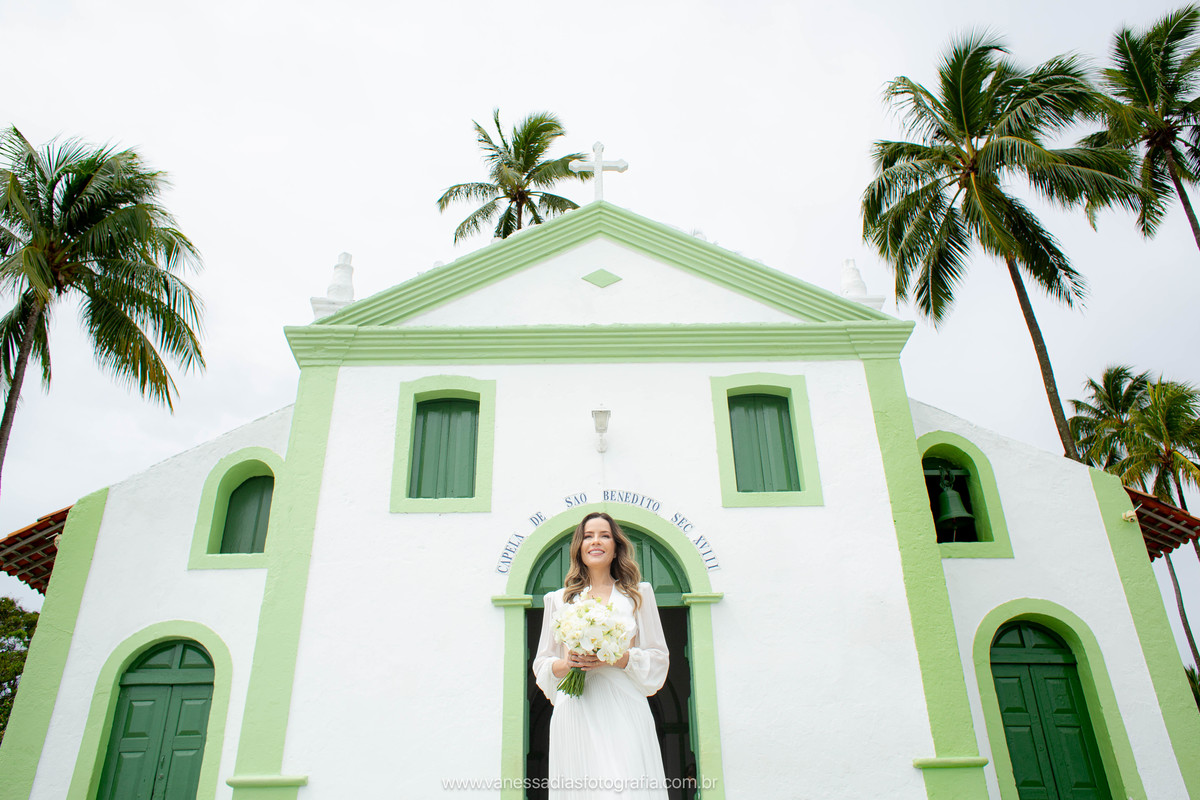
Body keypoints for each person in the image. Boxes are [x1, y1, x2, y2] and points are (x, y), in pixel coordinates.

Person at [532, 512, 670, 799]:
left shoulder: (638, 595)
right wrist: (567, 663)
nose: (596, 541)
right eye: (588, 535)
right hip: (576, 708)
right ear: (579, 547)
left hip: (623, 705)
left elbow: (658, 657)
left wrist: (617, 658)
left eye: (604, 535)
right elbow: (542, 663)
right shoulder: (559, 600)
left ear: (616, 546)